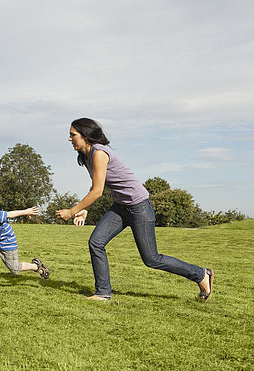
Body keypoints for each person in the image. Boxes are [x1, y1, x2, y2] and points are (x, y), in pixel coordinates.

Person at [55, 118, 214, 301]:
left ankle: (201, 274)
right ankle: (103, 293)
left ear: (86, 135)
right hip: (120, 207)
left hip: (139, 207)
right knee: (96, 242)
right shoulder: (86, 156)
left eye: (73, 135)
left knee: (152, 259)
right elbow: (96, 187)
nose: (69, 139)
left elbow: (98, 191)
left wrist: (72, 211)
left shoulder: (99, 153)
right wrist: (86, 209)